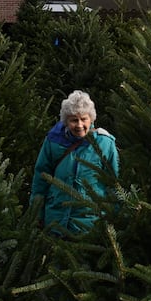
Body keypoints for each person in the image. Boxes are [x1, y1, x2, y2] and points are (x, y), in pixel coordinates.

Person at [30, 90, 120, 235]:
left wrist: (115, 218)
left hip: (90, 223)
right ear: (66, 121)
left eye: (84, 119)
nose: (79, 125)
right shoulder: (53, 141)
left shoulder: (105, 143)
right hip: (56, 220)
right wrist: (36, 214)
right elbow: (41, 177)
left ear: (91, 119)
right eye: (74, 120)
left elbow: (115, 183)